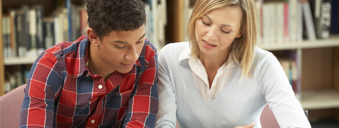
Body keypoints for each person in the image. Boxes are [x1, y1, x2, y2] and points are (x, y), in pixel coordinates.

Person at [155, 0, 311, 128]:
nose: (211, 36)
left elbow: (297, 124)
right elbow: (163, 125)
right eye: (206, 22)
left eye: (225, 30)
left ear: (240, 31)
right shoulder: (169, 58)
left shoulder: (264, 64)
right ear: (195, 16)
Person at [19, 0, 158, 127]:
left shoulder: (146, 57)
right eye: (120, 46)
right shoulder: (51, 65)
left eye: (139, 41)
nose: (133, 56)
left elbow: (140, 123)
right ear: (94, 37)